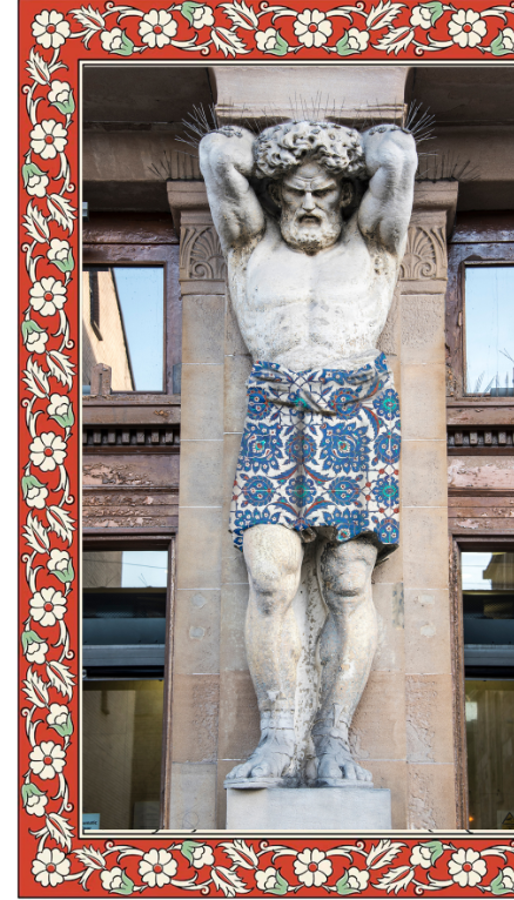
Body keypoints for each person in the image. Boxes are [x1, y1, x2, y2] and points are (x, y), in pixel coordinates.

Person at [199, 119, 417, 788]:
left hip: (358, 409)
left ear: (347, 194)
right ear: (276, 192)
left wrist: (369, 144)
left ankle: (334, 743)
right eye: (296, 193)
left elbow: (397, 159)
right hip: (274, 408)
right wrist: (254, 149)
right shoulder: (249, 246)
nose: (311, 205)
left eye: (325, 192)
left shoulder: (377, 244)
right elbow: (217, 156)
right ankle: (279, 735)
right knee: (270, 576)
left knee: (351, 581)